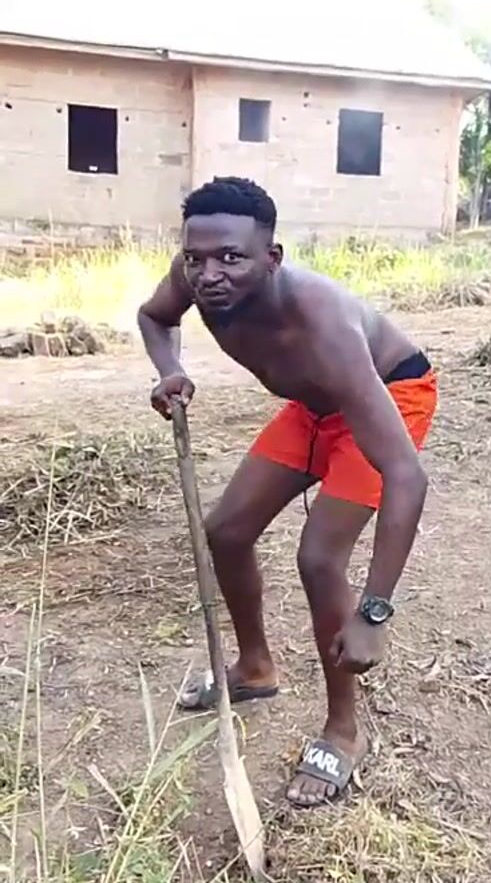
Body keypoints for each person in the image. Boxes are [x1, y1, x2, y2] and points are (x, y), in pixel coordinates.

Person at [138, 177, 438, 808]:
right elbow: (154, 317)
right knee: (226, 531)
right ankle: (254, 669)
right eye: (196, 258)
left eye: (231, 258)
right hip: (312, 406)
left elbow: (407, 476)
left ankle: (344, 731)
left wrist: (373, 614)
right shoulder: (194, 277)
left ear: (272, 258)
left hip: (386, 393)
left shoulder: (323, 325)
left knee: (320, 556)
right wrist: (171, 371)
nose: (209, 275)